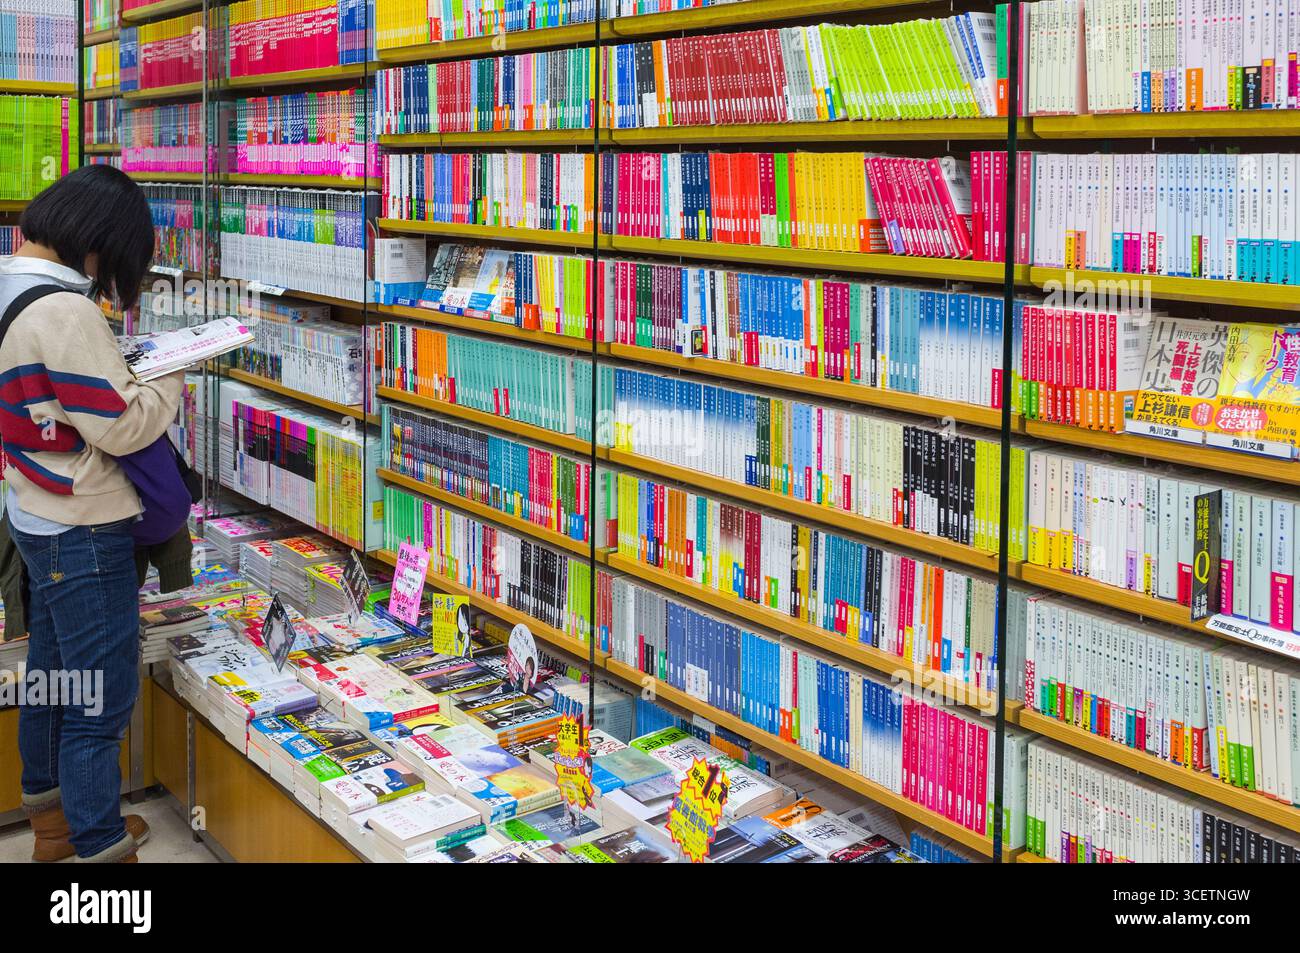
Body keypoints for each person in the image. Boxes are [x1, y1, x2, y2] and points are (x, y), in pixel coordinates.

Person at [0, 165, 185, 863]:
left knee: (50, 678)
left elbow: (52, 393)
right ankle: (103, 851)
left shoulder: (10, 283)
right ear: (100, 240)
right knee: (98, 705)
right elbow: (123, 426)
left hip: (33, 509)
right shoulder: (64, 310)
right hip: (83, 527)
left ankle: (52, 827)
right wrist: (172, 368)